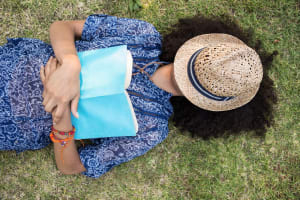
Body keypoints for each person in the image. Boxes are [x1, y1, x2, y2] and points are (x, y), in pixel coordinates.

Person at [0, 14, 277, 178]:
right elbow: (62, 27)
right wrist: (70, 63)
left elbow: (73, 167)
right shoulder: (143, 36)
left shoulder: (152, 127)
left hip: (14, 123)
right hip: (15, 64)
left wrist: (61, 119)